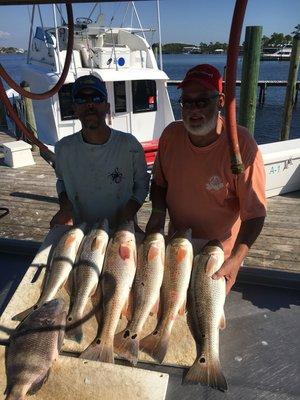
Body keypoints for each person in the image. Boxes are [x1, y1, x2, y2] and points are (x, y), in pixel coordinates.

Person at [146, 64, 267, 294]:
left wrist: (237, 259)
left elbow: (255, 213)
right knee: (170, 309)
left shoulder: (241, 146)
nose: (194, 109)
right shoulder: (170, 136)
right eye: (187, 102)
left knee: (204, 319)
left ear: (220, 101)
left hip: (217, 254)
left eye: (202, 101)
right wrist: (158, 214)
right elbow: (160, 183)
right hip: (177, 244)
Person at [50, 74, 149, 229]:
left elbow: (142, 184)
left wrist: (128, 213)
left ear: (107, 106)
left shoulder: (129, 145)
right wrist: (65, 208)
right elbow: (62, 182)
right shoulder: (63, 148)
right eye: (82, 99)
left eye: (97, 99)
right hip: (81, 232)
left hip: (121, 230)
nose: (90, 105)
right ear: (74, 109)